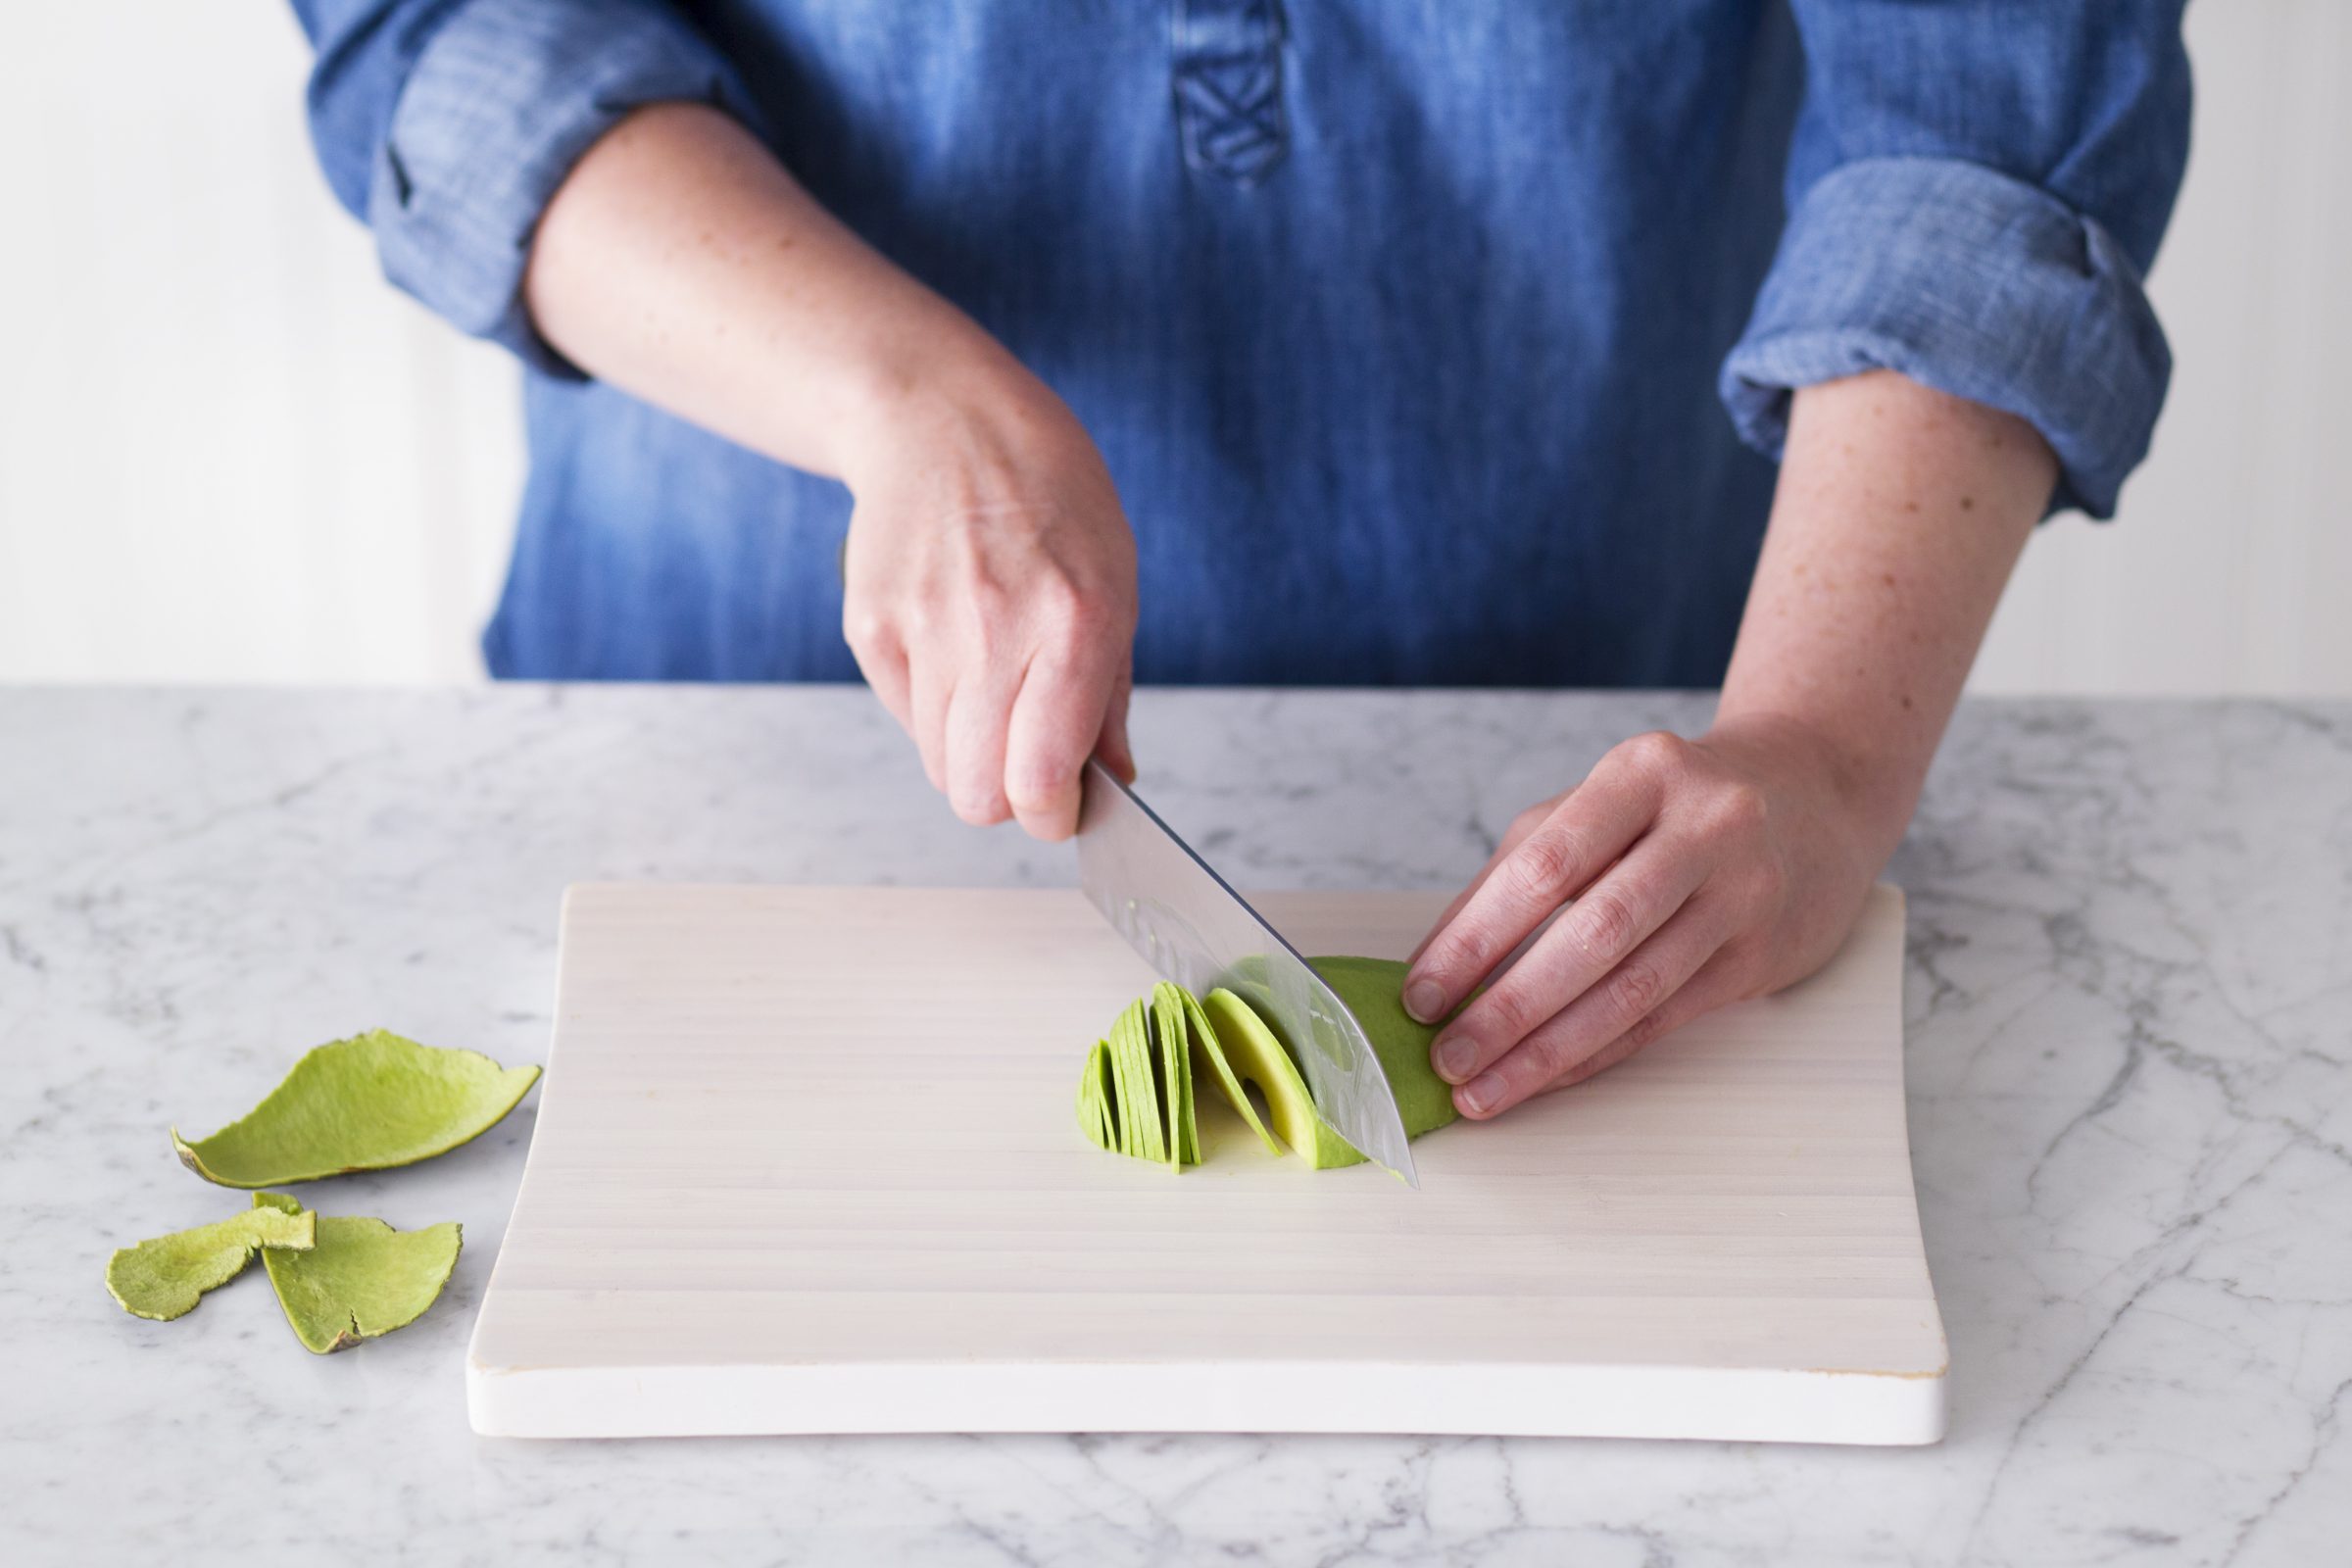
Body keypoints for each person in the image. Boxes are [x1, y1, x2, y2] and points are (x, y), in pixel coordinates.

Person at [287, 1, 2190, 1121]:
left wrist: (1830, 748)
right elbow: (444, 28)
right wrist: (888, 388)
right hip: (712, 746)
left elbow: (1996, 79)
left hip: (1630, 761)